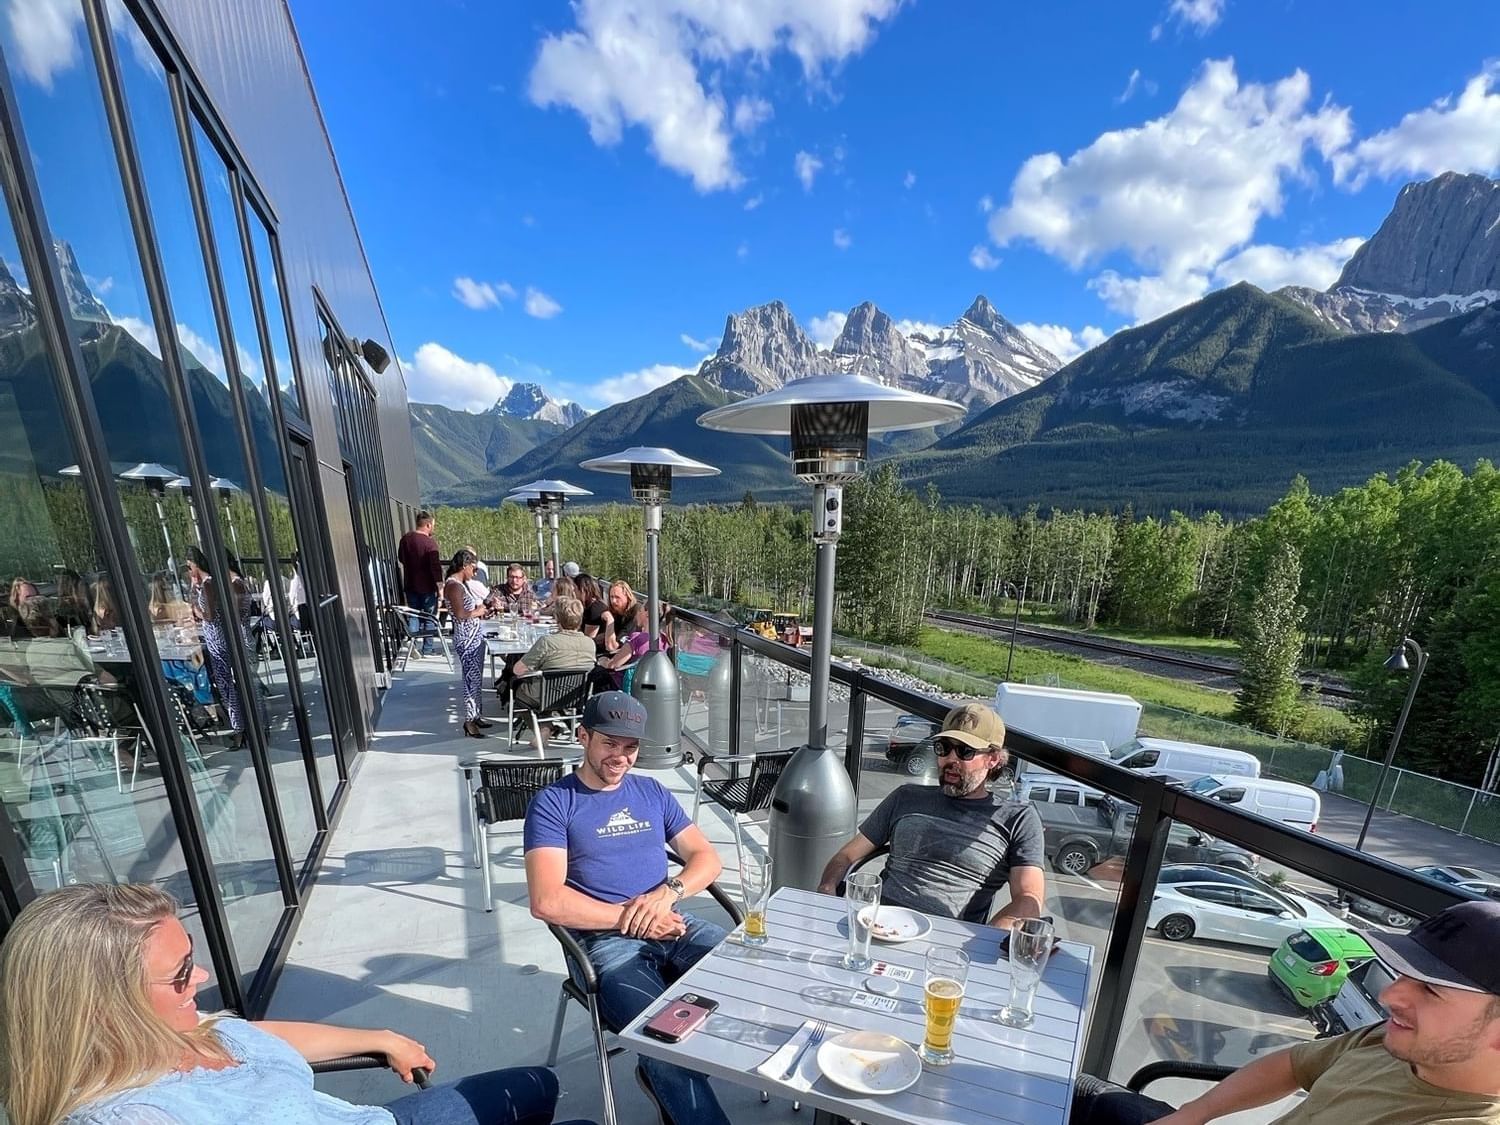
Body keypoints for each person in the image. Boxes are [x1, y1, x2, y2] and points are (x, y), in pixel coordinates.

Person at [0, 883, 593, 1125]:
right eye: (181, 973)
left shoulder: (176, 1030)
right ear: (102, 1009)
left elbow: (254, 1036)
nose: (201, 976)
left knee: (538, 1084)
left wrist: (378, 1037)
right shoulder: (135, 1117)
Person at [1070, 899, 1500, 1125]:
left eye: (1431, 990)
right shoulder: (1393, 1044)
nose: (1391, 996)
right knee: (1075, 1091)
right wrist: (1193, 1115)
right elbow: (1293, 1065)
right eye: (1403, 973)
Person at [524, 692, 731, 1125]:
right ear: (583, 736)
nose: (620, 756)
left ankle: (662, 1078)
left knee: (753, 977)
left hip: (674, 921)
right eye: (609, 743)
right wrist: (633, 919)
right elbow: (547, 900)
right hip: (604, 943)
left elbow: (707, 858)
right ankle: (666, 1078)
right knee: (665, 1039)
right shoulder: (554, 802)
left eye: (630, 746)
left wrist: (668, 893)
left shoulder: (650, 790)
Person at [817, 703, 1046, 927]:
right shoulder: (906, 796)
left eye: (965, 751)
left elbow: (1029, 897)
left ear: (993, 759)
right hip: (880, 923)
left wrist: (994, 934)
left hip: (947, 942)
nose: (950, 760)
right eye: (944, 748)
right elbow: (846, 856)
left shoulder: (1017, 818)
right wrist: (827, 888)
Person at [503, 597, 595, 736]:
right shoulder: (590, 643)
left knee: (520, 692)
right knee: (544, 688)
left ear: (557, 618)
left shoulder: (547, 642)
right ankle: (547, 726)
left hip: (545, 695)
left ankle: (542, 729)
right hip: (575, 696)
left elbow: (518, 669)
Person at [188, 546, 246, 749]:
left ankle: (239, 729)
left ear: (195, 566)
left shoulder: (209, 585)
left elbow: (210, 615)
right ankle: (239, 726)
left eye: (189, 567)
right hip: (216, 638)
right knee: (225, 685)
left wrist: (196, 609)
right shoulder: (207, 585)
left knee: (226, 686)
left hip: (217, 639)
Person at [444, 549, 492, 739]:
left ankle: (476, 714)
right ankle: (469, 721)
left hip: (474, 636)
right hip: (466, 638)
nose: (475, 572)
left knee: (476, 678)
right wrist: (479, 611)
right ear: (464, 566)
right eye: (473, 567)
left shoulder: (460, 585)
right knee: (470, 680)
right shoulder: (454, 586)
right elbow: (460, 614)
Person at [397, 512, 442, 655]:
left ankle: (412, 645)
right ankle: (427, 648)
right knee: (429, 617)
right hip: (427, 586)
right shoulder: (430, 543)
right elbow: (435, 567)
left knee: (413, 615)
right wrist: (440, 586)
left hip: (410, 584)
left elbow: (401, 558)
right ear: (428, 525)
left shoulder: (405, 539)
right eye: (432, 525)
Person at [601, 581, 646, 655]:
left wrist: (610, 620)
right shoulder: (616, 612)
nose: (613, 601)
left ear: (627, 597)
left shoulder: (636, 614)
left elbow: (612, 647)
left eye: (617, 597)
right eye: (611, 597)